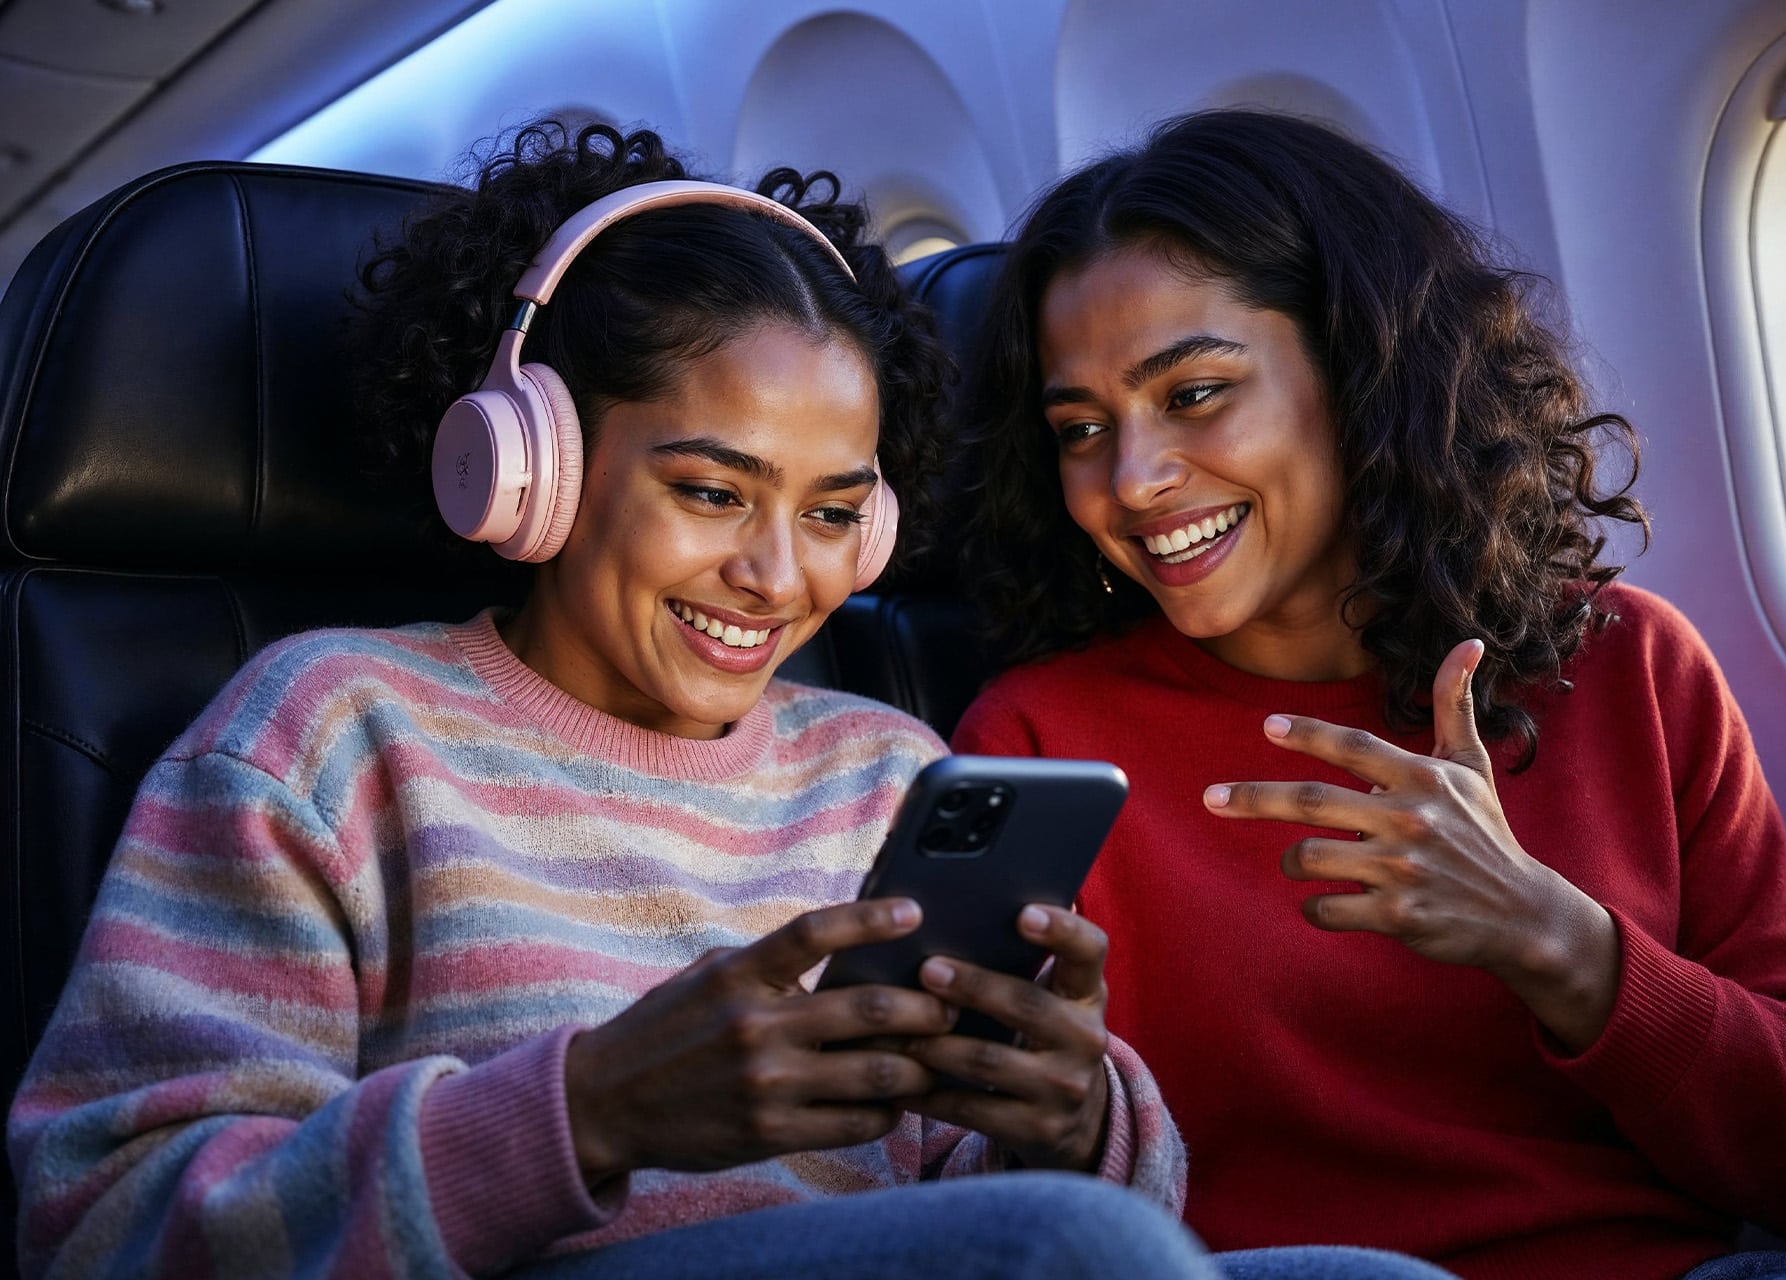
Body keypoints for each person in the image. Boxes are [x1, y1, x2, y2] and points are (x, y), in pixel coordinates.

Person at [5, 120, 1223, 1280]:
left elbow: (1029, 1208)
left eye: (835, 513)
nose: (780, 574)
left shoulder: (884, 773)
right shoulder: (334, 731)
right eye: (711, 491)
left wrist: (1074, 1120)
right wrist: (586, 1112)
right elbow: (106, 1223)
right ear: (535, 469)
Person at [948, 108, 1786, 1280]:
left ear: (1361, 374)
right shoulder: (1043, 742)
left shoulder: (1623, 667)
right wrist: (1058, 1126)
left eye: (1194, 392)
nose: (1132, 480)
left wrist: (1552, 937)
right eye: (1081, 428)